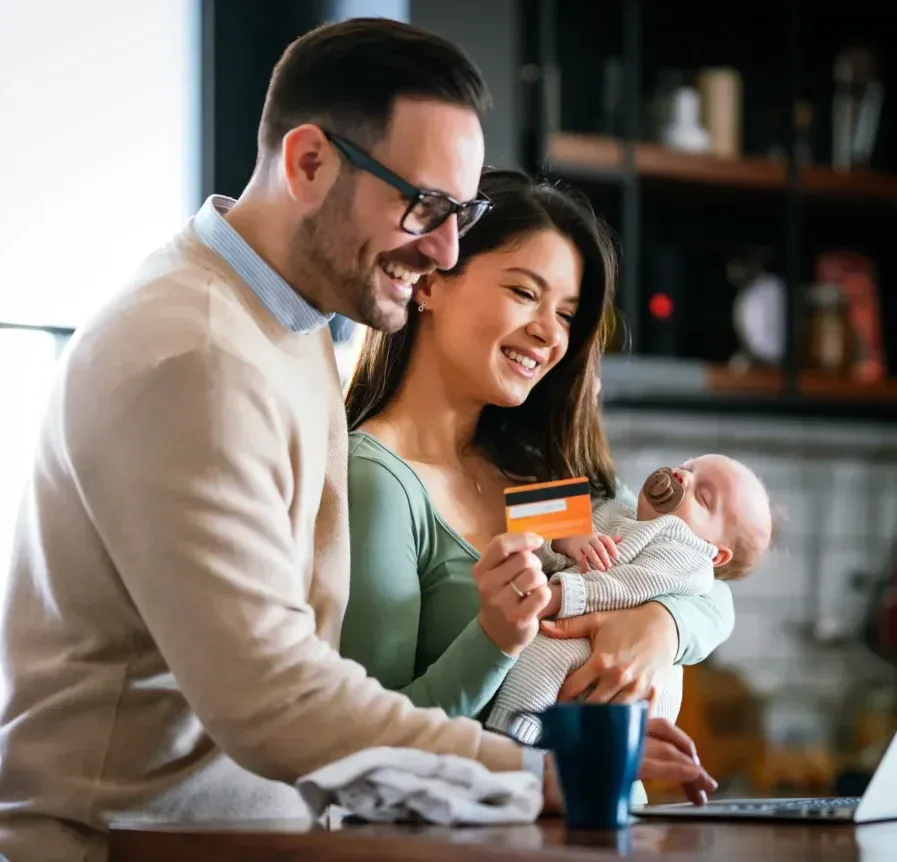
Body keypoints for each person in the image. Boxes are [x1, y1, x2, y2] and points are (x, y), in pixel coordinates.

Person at [0, 19, 713, 862]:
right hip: (117, 846)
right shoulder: (196, 353)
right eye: (425, 207)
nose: (444, 248)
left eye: (462, 213)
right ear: (309, 163)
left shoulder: (284, 321)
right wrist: (529, 771)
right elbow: (273, 700)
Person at [341, 168, 732, 801]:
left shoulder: (544, 468)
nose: (551, 334)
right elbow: (372, 750)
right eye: (525, 293)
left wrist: (662, 626)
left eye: (568, 315)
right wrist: (495, 637)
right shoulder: (379, 481)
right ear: (432, 281)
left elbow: (700, 577)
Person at [486, 455, 774, 743]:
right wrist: (564, 539)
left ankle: (510, 741)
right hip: (573, 642)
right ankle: (511, 745)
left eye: (703, 496)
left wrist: (558, 597)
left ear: (716, 553)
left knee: (544, 659)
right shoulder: (613, 512)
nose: (682, 476)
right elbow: (522, 519)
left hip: (613, 671)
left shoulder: (689, 555)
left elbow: (626, 586)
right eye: (687, 467)